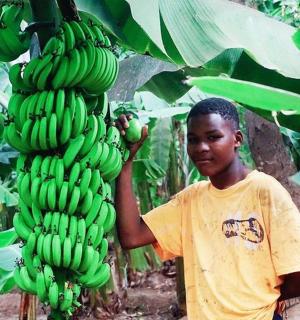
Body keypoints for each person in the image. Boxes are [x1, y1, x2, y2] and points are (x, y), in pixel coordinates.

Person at [115, 97, 300, 320]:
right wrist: (127, 161)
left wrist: (254, 302)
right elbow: (131, 236)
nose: (201, 148)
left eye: (213, 137)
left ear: (237, 139)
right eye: (193, 140)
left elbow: (296, 274)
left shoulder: (264, 191)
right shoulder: (190, 201)